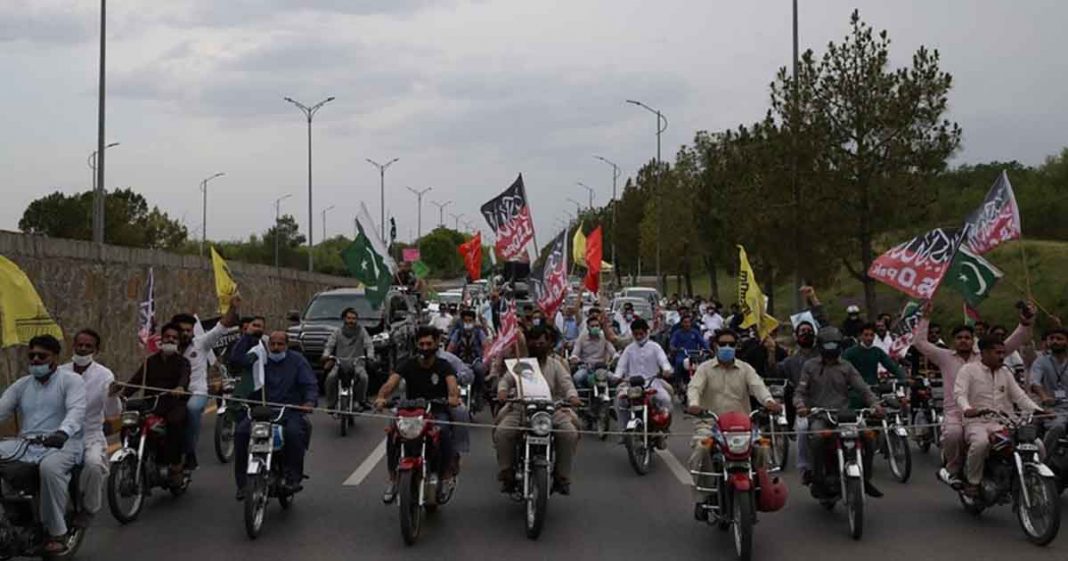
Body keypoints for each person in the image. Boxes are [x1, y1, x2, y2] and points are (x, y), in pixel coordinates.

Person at [913, 302, 1033, 487]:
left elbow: (1012, 342)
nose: (963, 340)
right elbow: (919, 343)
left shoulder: (986, 355)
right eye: (959, 337)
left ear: (974, 340)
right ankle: (953, 469)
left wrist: (1024, 324)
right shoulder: (944, 357)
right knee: (953, 434)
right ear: (953, 341)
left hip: (989, 413)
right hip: (956, 412)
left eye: (967, 337)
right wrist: (925, 318)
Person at [0, 335, 86, 554]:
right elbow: (2, 409)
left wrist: (63, 433)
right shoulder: (21, 385)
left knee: (49, 469)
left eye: (42, 355)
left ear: (55, 357)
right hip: (27, 443)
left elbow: (76, 411)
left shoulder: (71, 381)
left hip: (64, 444)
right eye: (32, 355)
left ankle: (57, 531)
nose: (36, 360)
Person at [686, 329, 781, 518]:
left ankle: (761, 487)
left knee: (763, 447)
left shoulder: (745, 368)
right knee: (701, 448)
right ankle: (704, 496)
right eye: (723, 344)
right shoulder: (704, 369)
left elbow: (758, 387)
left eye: (731, 344)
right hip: (710, 425)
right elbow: (694, 388)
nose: (727, 347)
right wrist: (694, 405)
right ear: (715, 346)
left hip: (743, 426)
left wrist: (769, 402)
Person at [375, 326, 463, 503]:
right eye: (421, 343)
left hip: (436, 412)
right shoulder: (408, 363)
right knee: (393, 433)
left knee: (444, 430)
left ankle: (445, 476)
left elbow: (452, 387)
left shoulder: (444, 366)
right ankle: (393, 479)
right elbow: (391, 382)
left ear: (437, 343)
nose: (425, 347)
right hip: (410, 412)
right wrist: (381, 397)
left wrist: (453, 398)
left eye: (429, 343)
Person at [794, 327, 885, 498]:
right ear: (820, 346)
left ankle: (866, 478)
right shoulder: (810, 366)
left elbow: (863, 389)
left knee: (869, 437)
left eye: (834, 345)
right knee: (817, 438)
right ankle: (818, 479)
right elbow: (800, 392)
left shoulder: (846, 366)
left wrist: (875, 404)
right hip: (819, 415)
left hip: (845, 416)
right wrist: (800, 406)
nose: (831, 349)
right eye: (827, 345)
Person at [229, 331, 318, 500]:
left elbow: (310, 384)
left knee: (293, 434)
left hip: (289, 411)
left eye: (280, 344)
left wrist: (309, 402)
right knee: (241, 433)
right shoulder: (259, 360)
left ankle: (292, 478)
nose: (276, 348)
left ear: (287, 345)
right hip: (260, 411)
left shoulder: (298, 361)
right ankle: (242, 484)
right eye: (273, 344)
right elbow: (237, 362)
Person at [493, 325, 581, 494]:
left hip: (551, 410)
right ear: (529, 342)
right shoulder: (522, 364)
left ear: (550, 344)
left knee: (569, 432)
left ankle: (562, 476)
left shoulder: (556, 365)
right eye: (535, 340)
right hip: (521, 408)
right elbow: (505, 381)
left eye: (543, 341)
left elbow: (567, 383)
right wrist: (502, 391)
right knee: (502, 432)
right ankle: (506, 471)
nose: (538, 344)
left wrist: (572, 397)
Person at [956, 336, 1043, 496]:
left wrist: (1039, 410)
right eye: (998, 353)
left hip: (1005, 422)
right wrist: (968, 409)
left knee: (1037, 444)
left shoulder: (1005, 372)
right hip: (977, 422)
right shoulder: (968, 370)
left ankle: (1034, 480)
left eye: (1003, 353)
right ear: (984, 353)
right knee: (981, 443)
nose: (1002, 356)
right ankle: (972, 481)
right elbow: (960, 394)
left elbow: (1020, 397)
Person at [59, 329, 120, 528]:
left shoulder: (104, 375)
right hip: (62, 435)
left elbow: (112, 411)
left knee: (94, 465)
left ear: (96, 349)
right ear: (73, 346)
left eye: (88, 346)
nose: (83, 349)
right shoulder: (60, 372)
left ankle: (89, 509)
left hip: (90, 435)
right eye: (80, 345)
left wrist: (112, 395)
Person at [170, 299, 239, 469]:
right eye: (182, 330)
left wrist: (233, 308)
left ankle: (189, 452)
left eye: (189, 330)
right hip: (172, 393)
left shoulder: (202, 343)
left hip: (197, 392)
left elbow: (222, 326)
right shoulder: (167, 347)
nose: (185, 333)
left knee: (192, 409)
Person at [120, 323, 191, 485]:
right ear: (161, 339)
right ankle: (135, 455)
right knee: (130, 424)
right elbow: (135, 381)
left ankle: (174, 464)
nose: (170, 340)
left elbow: (184, 378)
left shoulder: (183, 362)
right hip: (151, 404)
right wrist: (122, 394)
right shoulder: (150, 362)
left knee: (175, 422)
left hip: (174, 404)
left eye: (174, 338)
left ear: (178, 342)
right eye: (167, 337)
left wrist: (180, 387)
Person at [614, 318, 673, 428]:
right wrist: (617, 376)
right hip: (631, 385)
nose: (638, 337)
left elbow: (663, 360)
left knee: (665, 399)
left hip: (652, 383)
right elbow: (621, 365)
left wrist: (666, 370)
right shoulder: (629, 349)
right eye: (636, 334)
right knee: (619, 401)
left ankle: (664, 427)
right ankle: (624, 429)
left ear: (647, 332)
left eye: (641, 333)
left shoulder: (655, 347)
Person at [322, 307, 375, 412]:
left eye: (354, 318)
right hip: (340, 363)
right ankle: (331, 403)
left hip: (357, 363)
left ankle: (360, 401)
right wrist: (326, 355)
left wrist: (370, 356)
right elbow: (329, 345)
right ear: (344, 319)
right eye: (349, 318)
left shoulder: (362, 331)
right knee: (330, 378)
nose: (351, 321)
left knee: (364, 377)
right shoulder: (337, 332)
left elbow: (369, 344)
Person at [1031, 327, 1068, 458]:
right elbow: (1035, 383)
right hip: (1051, 408)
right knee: (1057, 427)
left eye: (1059, 339)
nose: (1055, 341)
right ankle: (1042, 461)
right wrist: (1044, 396)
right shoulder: (1041, 362)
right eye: (1052, 339)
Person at [842, 322, 906, 389]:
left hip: (874, 388)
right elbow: (842, 369)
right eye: (866, 335)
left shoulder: (877, 351)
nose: (869, 338)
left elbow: (892, 367)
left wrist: (904, 378)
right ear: (860, 336)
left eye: (871, 335)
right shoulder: (850, 352)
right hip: (856, 390)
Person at [447, 309, 489, 401]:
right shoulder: (457, 333)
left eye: (470, 321)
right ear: (462, 321)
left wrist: (485, 359)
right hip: (460, 362)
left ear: (474, 321)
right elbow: (451, 347)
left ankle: (479, 392)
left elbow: (486, 346)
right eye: (466, 321)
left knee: (480, 369)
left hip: (475, 361)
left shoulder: (479, 332)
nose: (468, 323)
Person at [569, 314, 618, 388]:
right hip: (586, 368)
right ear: (588, 327)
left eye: (597, 326)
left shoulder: (604, 338)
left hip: (601, 369)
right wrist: (574, 358)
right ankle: (584, 396)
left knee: (614, 379)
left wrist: (615, 357)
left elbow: (613, 351)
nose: (595, 328)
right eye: (592, 326)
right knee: (577, 378)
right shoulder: (582, 338)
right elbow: (575, 353)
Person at [669, 315, 709, 383]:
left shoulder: (695, 332)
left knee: (703, 365)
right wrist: (673, 348)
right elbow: (672, 344)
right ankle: (678, 383)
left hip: (694, 354)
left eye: (688, 322)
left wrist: (708, 349)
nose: (687, 324)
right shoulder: (677, 333)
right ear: (681, 323)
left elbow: (702, 342)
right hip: (681, 354)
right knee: (679, 363)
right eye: (685, 322)